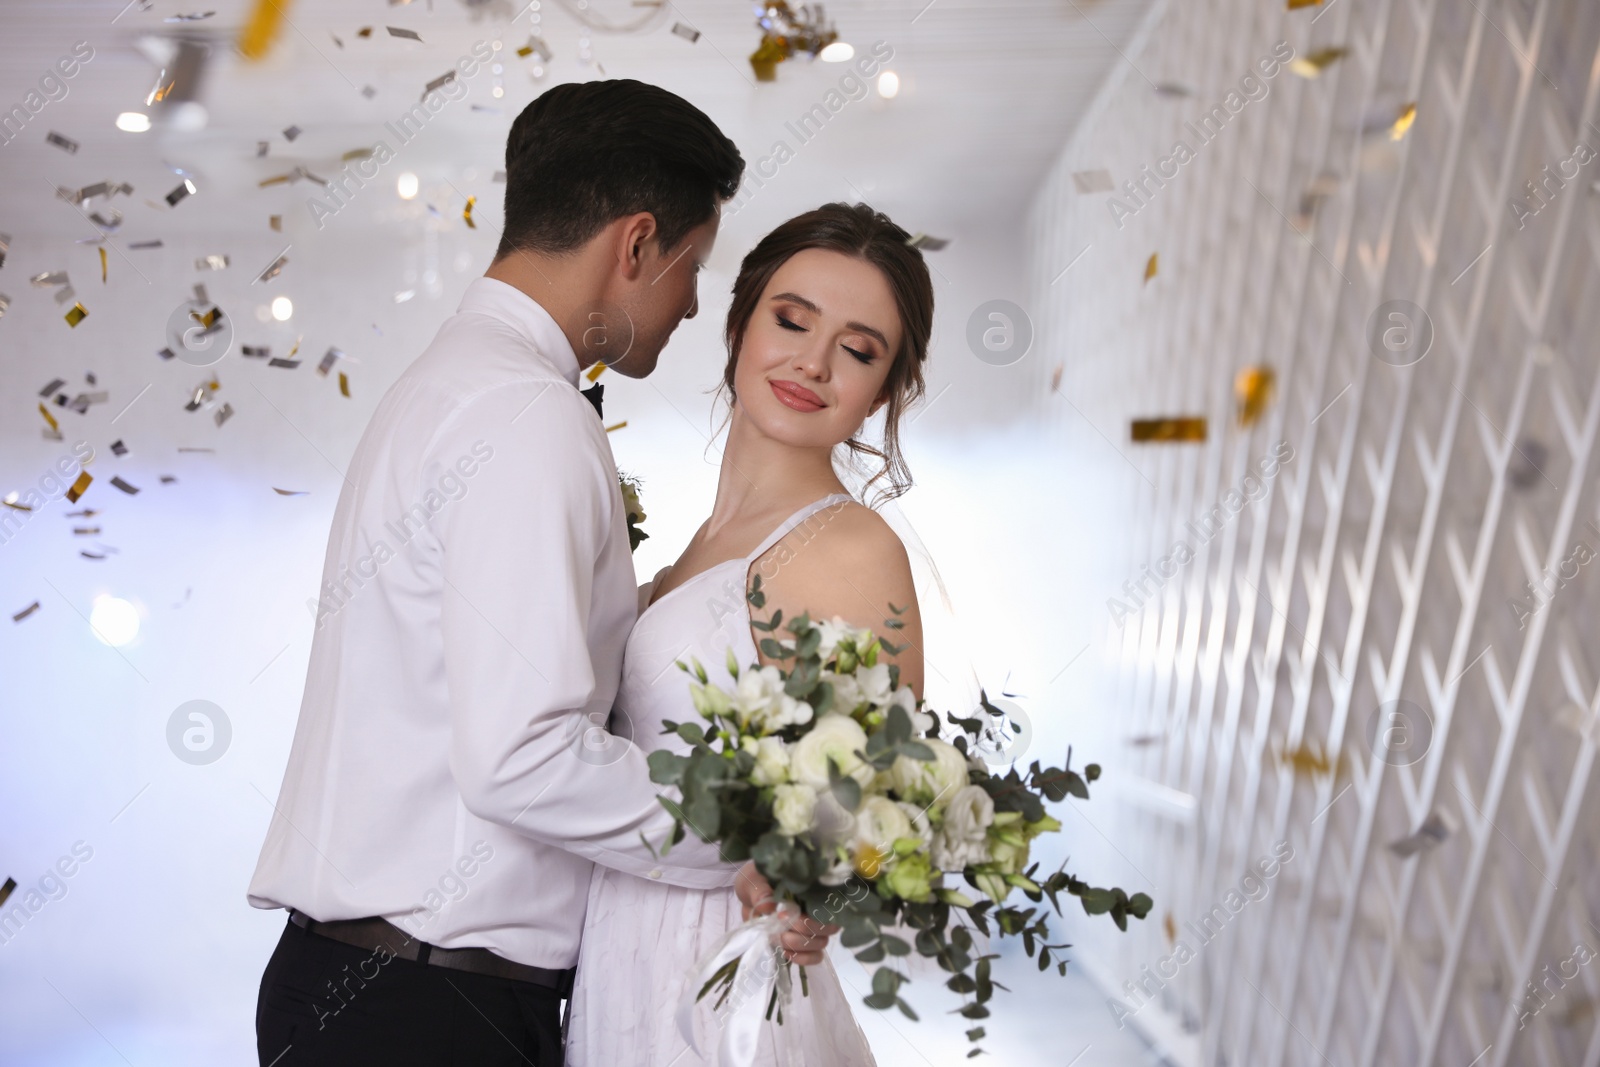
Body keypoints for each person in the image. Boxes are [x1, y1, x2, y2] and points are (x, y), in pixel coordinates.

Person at [248, 80, 835, 1067]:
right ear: (637, 244)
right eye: (692, 266)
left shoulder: (444, 386)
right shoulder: (525, 414)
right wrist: (761, 828)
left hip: (371, 989)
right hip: (428, 1009)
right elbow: (520, 754)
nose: (695, 304)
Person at [565, 202, 934, 1066]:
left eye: (858, 348)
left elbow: (886, 785)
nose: (812, 360)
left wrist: (817, 893)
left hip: (722, 967)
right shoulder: (699, 542)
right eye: (792, 319)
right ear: (738, 322)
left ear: (883, 387)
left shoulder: (848, 545)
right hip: (617, 948)